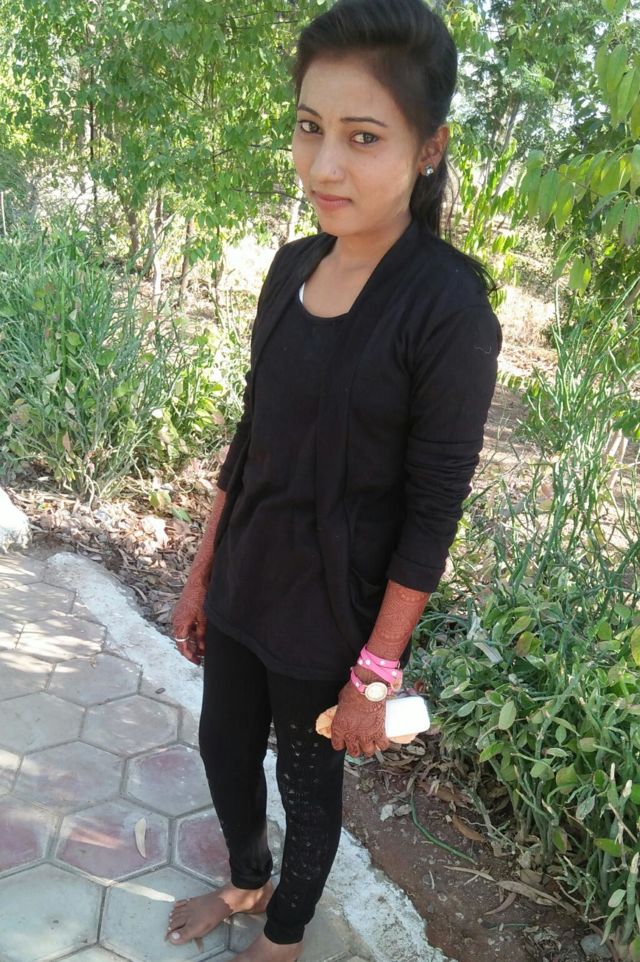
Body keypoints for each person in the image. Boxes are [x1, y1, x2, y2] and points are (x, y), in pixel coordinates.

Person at [165, 0, 502, 959]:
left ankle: (284, 937)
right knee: (223, 748)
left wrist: (375, 673)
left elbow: (433, 513)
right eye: (310, 128)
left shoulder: (447, 309)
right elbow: (251, 439)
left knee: (309, 788)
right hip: (247, 578)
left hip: (332, 613)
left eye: (363, 136)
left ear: (428, 148)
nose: (324, 166)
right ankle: (246, 882)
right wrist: (201, 574)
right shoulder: (290, 268)